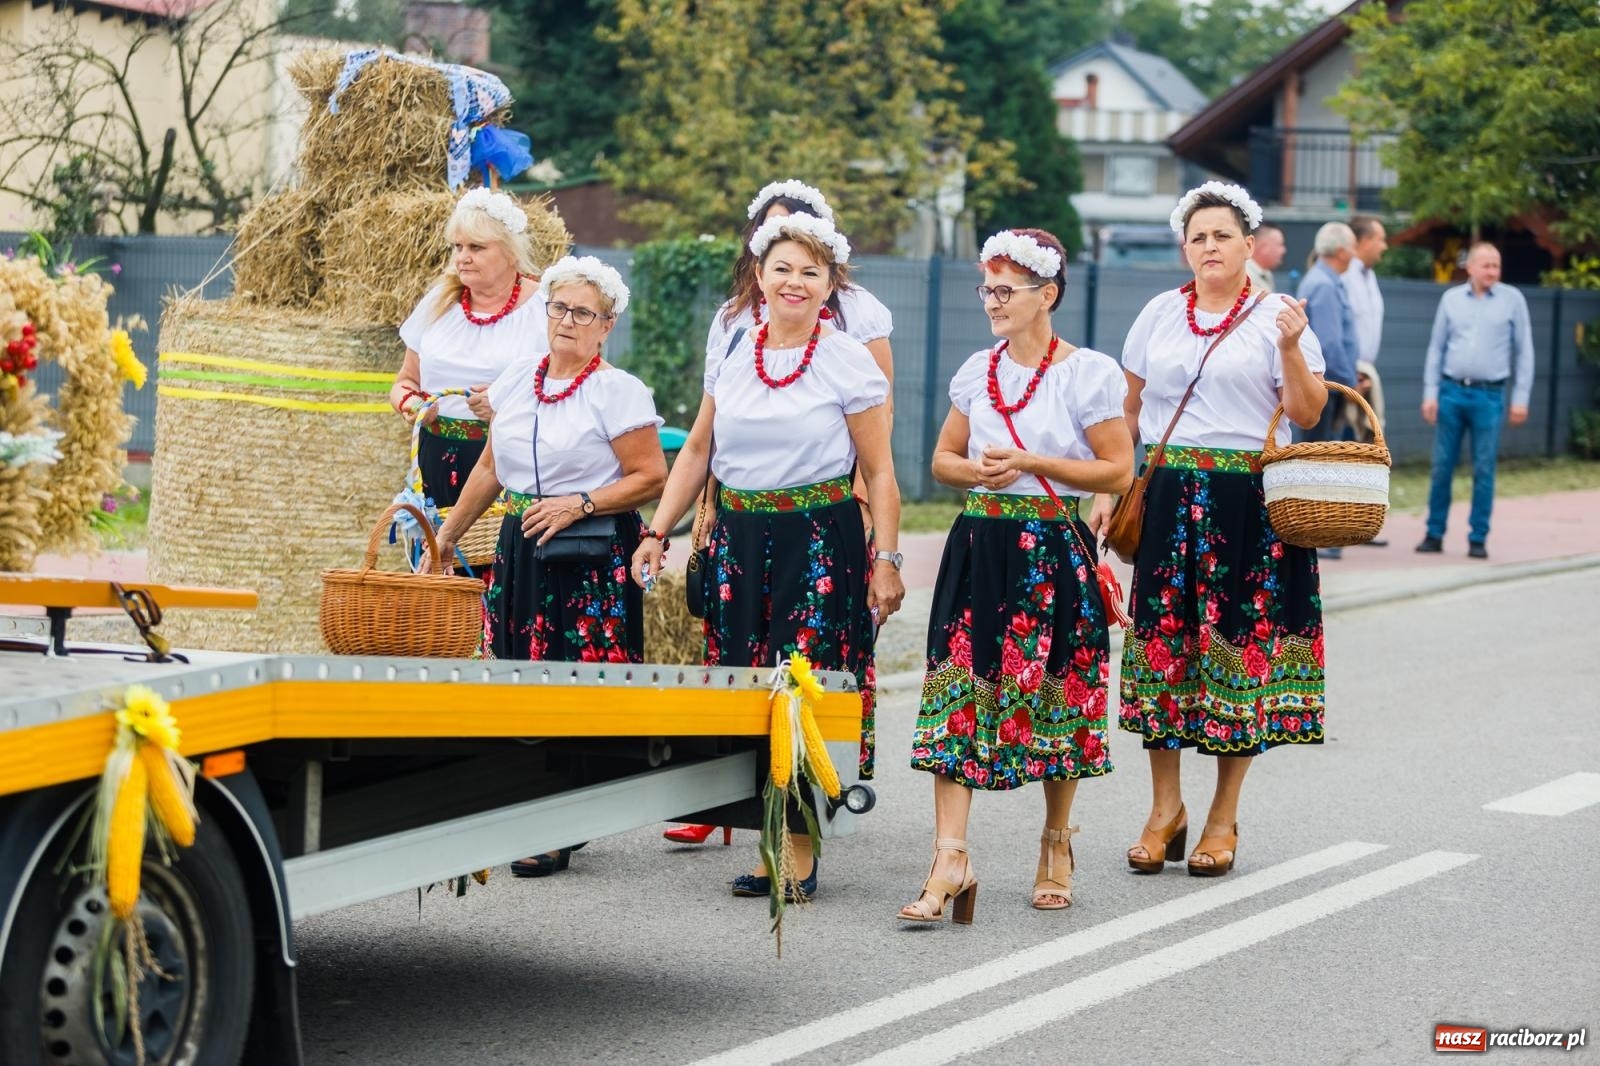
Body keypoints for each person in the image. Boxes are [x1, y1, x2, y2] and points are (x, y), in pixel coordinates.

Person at [633, 212, 904, 900]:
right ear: (759, 276)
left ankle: (799, 846)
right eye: (782, 268)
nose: (794, 281)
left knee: (799, 686)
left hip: (819, 537)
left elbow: (879, 472)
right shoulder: (735, 350)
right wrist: (657, 530)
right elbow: (697, 450)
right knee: (743, 685)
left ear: (829, 287)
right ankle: (766, 832)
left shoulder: (846, 358)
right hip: (740, 541)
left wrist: (888, 557)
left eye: (811, 272)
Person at [900, 229, 1133, 923]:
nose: (993, 303)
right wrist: (975, 470)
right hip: (979, 541)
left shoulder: (1086, 372)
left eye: (1007, 291)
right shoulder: (978, 371)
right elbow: (941, 458)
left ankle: (1056, 844)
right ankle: (950, 857)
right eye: (988, 290)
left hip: (1050, 549)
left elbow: (1117, 469)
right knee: (956, 690)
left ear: (1048, 295)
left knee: (1057, 690)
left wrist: (1035, 462)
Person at [1106, 181, 1327, 880]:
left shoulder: (1277, 316)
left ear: (1248, 245)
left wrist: (1291, 349)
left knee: (1237, 655)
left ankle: (1223, 815)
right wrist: (1112, 490)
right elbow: (1128, 410)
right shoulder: (1158, 314)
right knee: (1164, 652)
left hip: (1248, 505)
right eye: (1198, 236)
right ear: (1186, 246)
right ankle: (1163, 809)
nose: (1209, 247)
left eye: (1222, 235)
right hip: (1170, 496)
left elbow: (1309, 412)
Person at [438, 255, 667, 877]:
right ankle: (533, 804)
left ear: (606, 324)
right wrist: (447, 535)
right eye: (559, 308)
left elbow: (651, 475)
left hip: (588, 549)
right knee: (519, 672)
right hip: (523, 543)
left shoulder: (617, 390)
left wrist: (579, 503)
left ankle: (564, 819)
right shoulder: (517, 379)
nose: (568, 320)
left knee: (573, 683)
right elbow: (490, 467)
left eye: (582, 312)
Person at [391, 188, 551, 517]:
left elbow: (567, 394)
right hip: (435, 462)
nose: (462, 256)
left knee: (498, 566)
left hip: (507, 465)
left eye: (476, 247)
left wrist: (504, 404)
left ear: (511, 253)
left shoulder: (546, 309)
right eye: (458, 246)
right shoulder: (439, 302)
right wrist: (411, 404)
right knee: (439, 564)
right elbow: (405, 381)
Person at [1416, 242, 1535, 560]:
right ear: (1470, 267)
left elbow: (1525, 352)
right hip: (1451, 392)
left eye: (1496, 265)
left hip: (1489, 395)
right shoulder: (1450, 300)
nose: (1492, 271)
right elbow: (1435, 348)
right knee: (1442, 467)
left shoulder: (1513, 300)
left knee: (1484, 468)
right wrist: (1431, 394)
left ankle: (1478, 537)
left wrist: (1520, 399)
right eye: (1486, 265)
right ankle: (1434, 533)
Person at [1296, 222, 1360, 558]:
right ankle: (1318, 534)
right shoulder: (1324, 284)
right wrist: (1350, 380)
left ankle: (1320, 534)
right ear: (1340, 250)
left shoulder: (1324, 281)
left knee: (1321, 457)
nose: (1355, 254)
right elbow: (1331, 343)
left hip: (1325, 383)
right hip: (1327, 386)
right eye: (1352, 247)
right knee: (1321, 458)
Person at [1245, 222, 1285, 293]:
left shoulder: (1266, 273)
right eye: (1279, 245)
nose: (1283, 251)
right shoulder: (1244, 276)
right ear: (1263, 247)